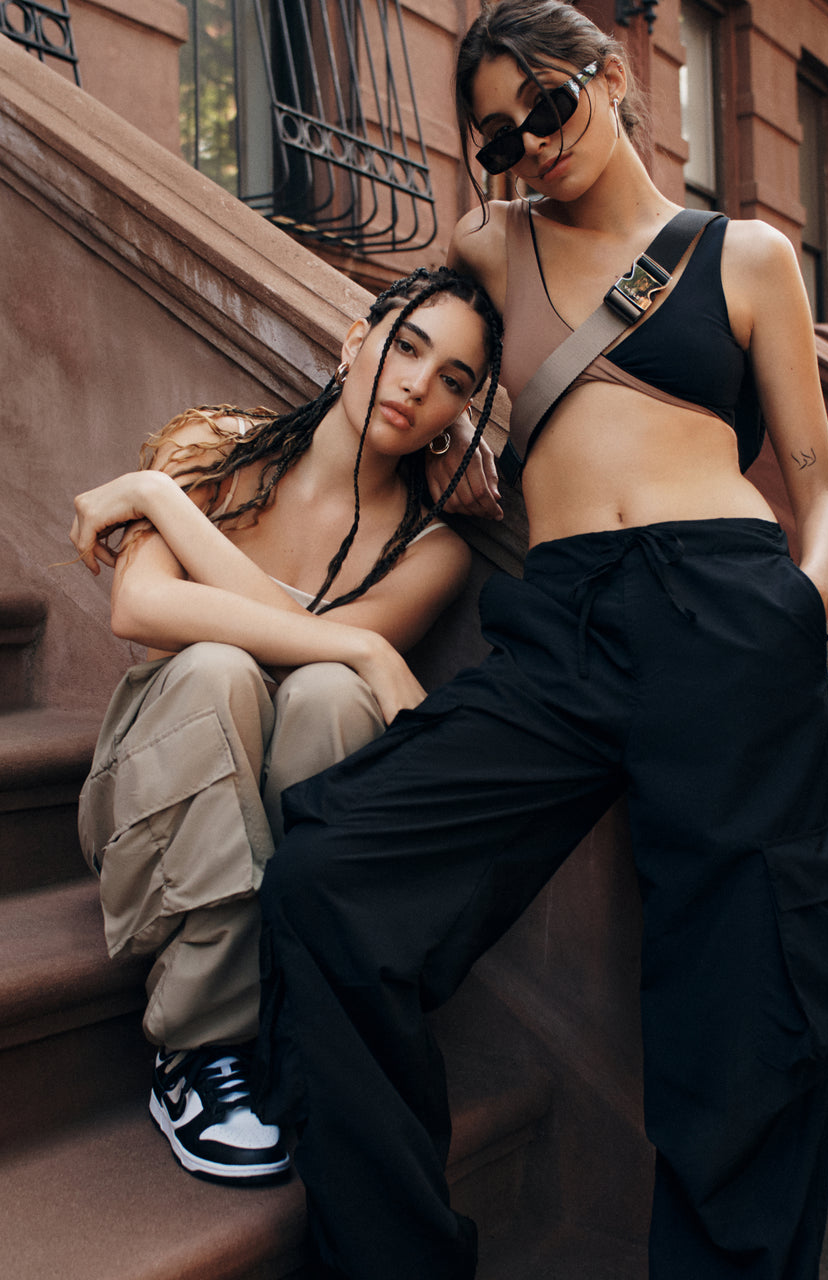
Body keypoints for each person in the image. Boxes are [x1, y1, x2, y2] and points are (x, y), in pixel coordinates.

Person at [253, 1, 828, 1275]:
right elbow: (401, 350)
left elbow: (826, 492)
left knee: (742, 1001)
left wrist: (795, 608)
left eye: (546, 104)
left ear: (610, 75)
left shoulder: (746, 256)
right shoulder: (493, 244)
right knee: (332, 876)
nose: (529, 143)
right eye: (495, 136)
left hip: (728, 618)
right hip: (562, 628)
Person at [69, 266, 503, 1186]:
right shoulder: (214, 446)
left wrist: (156, 502)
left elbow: (328, 668)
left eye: (454, 381)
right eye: (406, 345)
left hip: (283, 828)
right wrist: (169, 491)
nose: (418, 384)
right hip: (151, 806)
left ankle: (283, 1012)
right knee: (227, 669)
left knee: (330, 695)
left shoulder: (430, 553)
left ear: (458, 415)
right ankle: (197, 1050)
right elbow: (140, 606)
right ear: (355, 341)